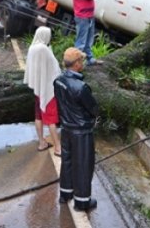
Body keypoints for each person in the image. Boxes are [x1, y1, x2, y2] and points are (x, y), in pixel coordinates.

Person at [54, 47, 99, 212]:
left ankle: (65, 194)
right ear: (77, 64)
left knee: (67, 161)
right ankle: (82, 201)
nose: (84, 63)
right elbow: (93, 109)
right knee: (83, 165)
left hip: (66, 129)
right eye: (82, 60)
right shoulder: (81, 87)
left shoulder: (58, 81)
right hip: (81, 132)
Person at [23, 26, 62, 155]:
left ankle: (42, 142)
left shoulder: (32, 47)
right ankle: (58, 147)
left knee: (38, 116)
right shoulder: (44, 49)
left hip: (38, 88)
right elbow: (54, 67)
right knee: (51, 119)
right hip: (47, 89)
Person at [71, 0, 100, 66]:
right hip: (82, 16)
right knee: (81, 41)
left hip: (90, 15)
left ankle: (90, 59)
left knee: (89, 40)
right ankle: (75, 63)